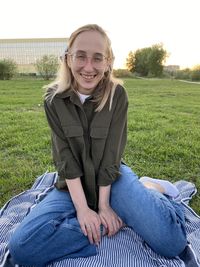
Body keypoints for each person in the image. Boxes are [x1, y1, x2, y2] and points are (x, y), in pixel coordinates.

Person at [8, 24, 187, 266]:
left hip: (112, 180)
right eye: (80, 56)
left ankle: (151, 189)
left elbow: (112, 155)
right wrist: (83, 210)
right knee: (24, 248)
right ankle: (119, 218)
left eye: (97, 58)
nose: (88, 67)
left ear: (108, 61)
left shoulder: (117, 94)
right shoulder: (53, 99)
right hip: (71, 187)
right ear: (67, 58)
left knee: (171, 242)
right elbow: (65, 159)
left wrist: (103, 205)